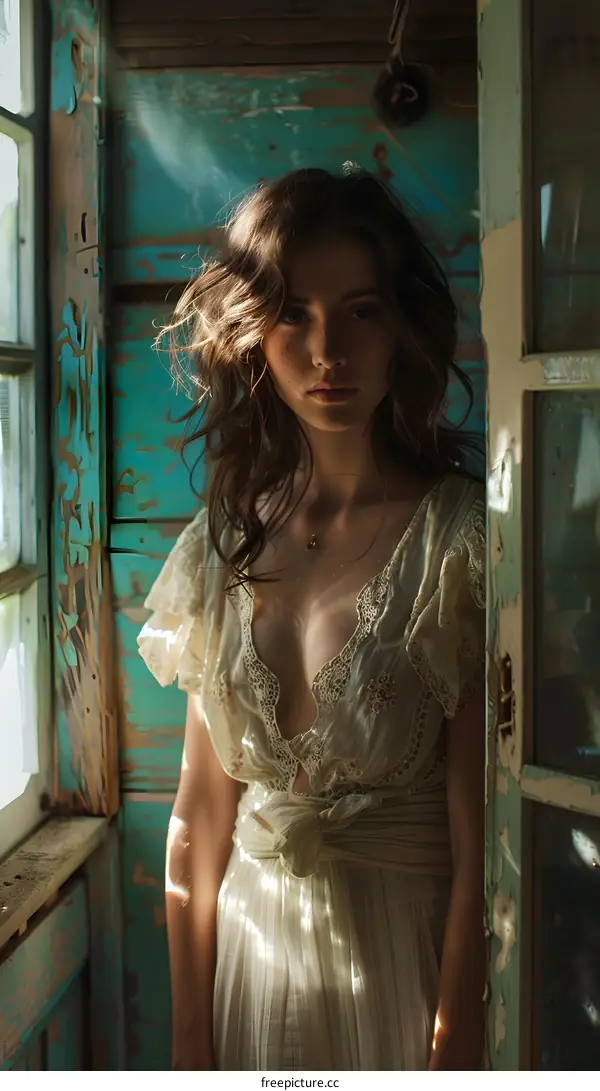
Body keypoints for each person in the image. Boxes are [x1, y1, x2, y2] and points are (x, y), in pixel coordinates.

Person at [137, 167, 487, 1071]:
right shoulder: (220, 548)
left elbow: (482, 839)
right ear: (252, 331)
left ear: (402, 327)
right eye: (294, 312)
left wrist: (456, 1040)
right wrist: (189, 1042)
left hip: (404, 976)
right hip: (252, 979)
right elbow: (200, 818)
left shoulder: (459, 543)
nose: (329, 348)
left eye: (361, 311)